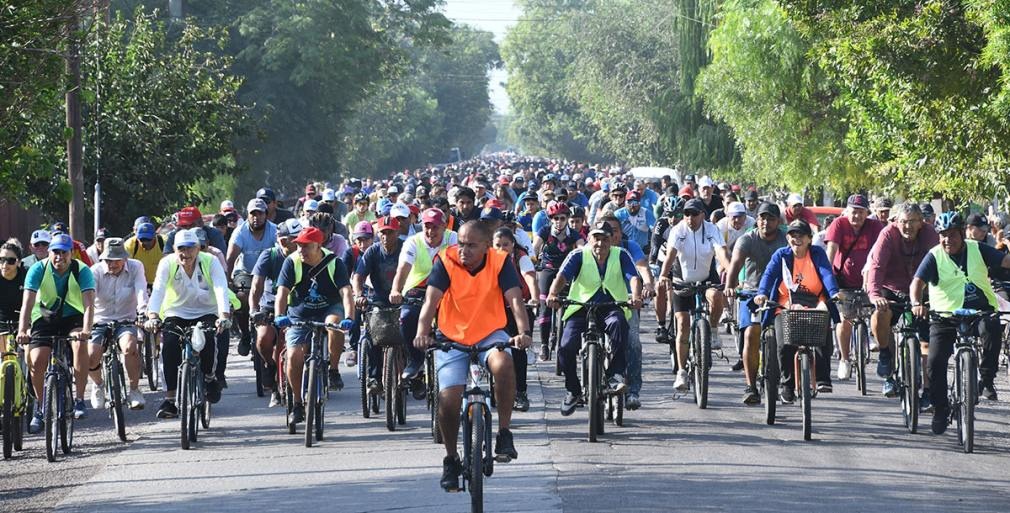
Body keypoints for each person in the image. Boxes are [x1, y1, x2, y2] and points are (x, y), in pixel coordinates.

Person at [412, 220, 531, 491]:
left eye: (471, 245)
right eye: (461, 243)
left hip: (490, 332)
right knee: (449, 397)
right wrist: (422, 332)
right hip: (451, 336)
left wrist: (523, 331)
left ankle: (503, 432)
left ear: (487, 247)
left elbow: (515, 300)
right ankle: (451, 459)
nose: (463, 250)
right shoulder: (446, 259)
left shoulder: (500, 262)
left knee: (503, 364)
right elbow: (430, 301)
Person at [909, 212, 1010, 434]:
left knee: (992, 328)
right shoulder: (934, 255)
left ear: (962, 234)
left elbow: (1004, 261)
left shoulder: (978, 249)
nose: (948, 240)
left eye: (952, 235)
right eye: (943, 235)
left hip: (979, 311)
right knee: (935, 363)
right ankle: (940, 408)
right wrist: (916, 302)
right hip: (944, 316)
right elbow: (917, 282)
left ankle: (986, 379)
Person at [548, 220, 642, 415]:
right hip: (581, 307)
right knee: (565, 348)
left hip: (611, 306)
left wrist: (636, 296)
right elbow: (562, 276)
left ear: (612, 240)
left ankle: (615, 374)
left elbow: (633, 277)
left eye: (605, 239)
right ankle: (573, 391)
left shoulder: (621, 254)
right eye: (596, 239)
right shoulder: (578, 255)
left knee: (619, 325)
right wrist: (552, 294)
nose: (600, 244)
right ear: (589, 239)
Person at [273, 227, 355, 425]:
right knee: (293, 355)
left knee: (333, 325)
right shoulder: (291, 262)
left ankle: (333, 370)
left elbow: (346, 292)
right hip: (299, 313)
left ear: (318, 246)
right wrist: (279, 315)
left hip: (329, 308)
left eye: (306, 246)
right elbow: (282, 294)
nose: (300, 250)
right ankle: (298, 404)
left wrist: (350, 317)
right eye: (299, 245)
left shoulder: (335, 262)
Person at [752, 221, 842, 402]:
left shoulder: (817, 254)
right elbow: (769, 275)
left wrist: (834, 293)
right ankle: (787, 384)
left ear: (810, 239)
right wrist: (762, 293)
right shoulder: (781, 255)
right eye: (793, 235)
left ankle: (823, 378)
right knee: (784, 342)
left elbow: (826, 274)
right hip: (786, 303)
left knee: (823, 331)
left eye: (801, 235)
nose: (797, 239)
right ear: (787, 238)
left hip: (815, 300)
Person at [145, 229, 231, 419]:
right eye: (181, 249)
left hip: (206, 311)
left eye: (190, 248)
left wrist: (223, 315)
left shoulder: (210, 261)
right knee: (168, 348)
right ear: (175, 249)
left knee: (209, 339)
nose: (186, 253)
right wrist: (152, 316)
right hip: (176, 312)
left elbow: (220, 287)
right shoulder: (167, 263)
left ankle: (209, 378)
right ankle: (170, 399)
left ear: (198, 248)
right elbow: (158, 290)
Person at [18, 233, 96, 430]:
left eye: (64, 252)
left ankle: (79, 399)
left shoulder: (82, 269)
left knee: (79, 346)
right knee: (36, 360)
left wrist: (86, 330)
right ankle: (40, 406)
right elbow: (27, 304)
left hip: (72, 316)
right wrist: (22, 330)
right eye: (55, 252)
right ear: (49, 253)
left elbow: (88, 305)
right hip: (45, 316)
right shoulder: (37, 269)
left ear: (71, 253)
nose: (59, 256)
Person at [865, 203, 938, 407]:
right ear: (897, 222)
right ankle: (886, 355)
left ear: (921, 223)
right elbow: (876, 268)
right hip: (892, 288)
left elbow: (941, 264)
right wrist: (875, 295)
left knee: (928, 341)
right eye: (904, 222)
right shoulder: (887, 235)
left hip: (922, 291)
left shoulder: (931, 235)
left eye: (913, 221)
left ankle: (928, 390)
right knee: (880, 314)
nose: (908, 226)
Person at [658, 198, 731, 392]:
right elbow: (671, 255)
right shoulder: (678, 230)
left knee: (716, 297)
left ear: (702, 215)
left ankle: (713, 330)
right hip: (682, 279)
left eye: (694, 214)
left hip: (707, 276)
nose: (690, 218)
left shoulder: (712, 229)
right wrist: (664, 275)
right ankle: (681, 372)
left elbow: (721, 253)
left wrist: (730, 273)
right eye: (687, 214)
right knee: (682, 325)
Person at [389, 208, 459, 397]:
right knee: (407, 317)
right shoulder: (413, 241)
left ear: (444, 226)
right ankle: (415, 361)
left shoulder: (453, 239)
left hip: (447, 290)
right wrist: (396, 290)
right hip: (417, 289)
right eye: (427, 226)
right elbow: (403, 269)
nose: (431, 231)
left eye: (436, 227)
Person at [724, 203, 788, 404]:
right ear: (756, 220)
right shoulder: (747, 240)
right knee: (751, 334)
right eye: (762, 218)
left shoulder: (785, 241)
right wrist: (730, 287)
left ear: (778, 222)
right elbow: (735, 265)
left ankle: (787, 382)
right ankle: (751, 386)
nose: (765, 223)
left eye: (770, 219)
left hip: (779, 295)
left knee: (785, 338)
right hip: (751, 294)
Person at [825, 194, 884, 383]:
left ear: (867, 213)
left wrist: (872, 277)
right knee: (845, 320)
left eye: (861, 212)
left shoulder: (875, 227)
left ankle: (877, 341)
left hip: (870, 279)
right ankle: (844, 358)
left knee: (880, 311)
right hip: (843, 279)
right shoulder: (838, 225)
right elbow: (831, 251)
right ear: (847, 211)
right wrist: (827, 281)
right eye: (853, 211)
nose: (856, 216)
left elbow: (879, 252)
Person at [600, 215, 655, 410]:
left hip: (628, 304)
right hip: (599, 305)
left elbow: (642, 268)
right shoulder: (592, 249)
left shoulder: (629, 247)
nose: (610, 234)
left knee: (633, 343)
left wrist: (647, 285)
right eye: (605, 230)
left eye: (614, 230)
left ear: (620, 232)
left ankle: (633, 391)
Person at [88, 238, 148, 411]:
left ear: (125, 258)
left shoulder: (136, 267)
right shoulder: (95, 271)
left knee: (130, 347)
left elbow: (141, 291)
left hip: (126, 319)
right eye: (108, 260)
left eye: (116, 260)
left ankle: (135, 390)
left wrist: (143, 313)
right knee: (91, 356)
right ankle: (98, 385)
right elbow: (90, 299)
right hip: (100, 319)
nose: (111, 264)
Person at [250, 219, 303, 407]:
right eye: (290, 240)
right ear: (280, 241)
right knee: (263, 339)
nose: (296, 245)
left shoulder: (305, 257)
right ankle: (270, 370)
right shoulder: (269, 256)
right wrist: (253, 310)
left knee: (289, 343)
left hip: (296, 307)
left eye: (298, 239)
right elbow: (256, 286)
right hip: (269, 307)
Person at [351, 216, 403, 396]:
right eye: (383, 232)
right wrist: (358, 295)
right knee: (373, 335)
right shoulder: (372, 251)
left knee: (412, 330)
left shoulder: (406, 249)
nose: (386, 236)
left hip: (405, 298)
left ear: (397, 232)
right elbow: (358, 277)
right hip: (379, 299)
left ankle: (416, 373)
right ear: (377, 234)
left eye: (390, 232)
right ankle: (374, 378)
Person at [492, 228, 538, 412]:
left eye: (506, 245)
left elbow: (530, 279)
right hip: (495, 310)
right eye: (498, 245)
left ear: (513, 245)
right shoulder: (488, 260)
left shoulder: (521, 257)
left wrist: (534, 297)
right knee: (493, 348)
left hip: (520, 308)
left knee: (519, 349)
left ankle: (521, 393)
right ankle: (494, 388)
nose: (502, 248)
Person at [532, 202, 585, 360]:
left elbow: (582, 249)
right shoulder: (545, 231)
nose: (559, 221)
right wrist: (532, 259)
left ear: (567, 218)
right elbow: (534, 247)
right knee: (545, 304)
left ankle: (571, 340)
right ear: (550, 219)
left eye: (562, 218)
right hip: (548, 268)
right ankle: (544, 344)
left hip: (567, 271)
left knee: (573, 304)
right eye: (555, 218)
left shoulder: (574, 235)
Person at [226, 198, 278, 356]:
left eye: (260, 213)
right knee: (241, 297)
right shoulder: (240, 232)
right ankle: (245, 335)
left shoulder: (274, 230)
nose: (256, 217)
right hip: (246, 272)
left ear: (266, 215)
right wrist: (227, 281)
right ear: (247, 215)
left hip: (268, 272)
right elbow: (230, 259)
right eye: (253, 214)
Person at [650, 196, 684, 344]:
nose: (673, 219)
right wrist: (652, 262)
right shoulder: (661, 224)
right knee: (659, 287)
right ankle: (661, 325)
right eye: (669, 215)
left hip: (683, 263)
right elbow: (655, 245)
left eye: (676, 215)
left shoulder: (687, 225)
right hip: (664, 261)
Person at [163, 206, 227, 254]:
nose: (187, 229)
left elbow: (222, 258)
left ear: (201, 223)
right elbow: (166, 259)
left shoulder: (214, 234)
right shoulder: (174, 235)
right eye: (183, 226)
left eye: (191, 225)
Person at [614, 190, 656, 255]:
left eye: (635, 203)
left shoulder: (646, 213)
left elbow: (654, 230)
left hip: (641, 249)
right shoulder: (618, 214)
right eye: (629, 203)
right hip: (623, 248)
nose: (632, 206)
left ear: (640, 203)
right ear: (625, 202)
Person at [0, 239, 26, 327]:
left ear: (18, 262)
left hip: (23, 325)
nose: (5, 265)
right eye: (2, 260)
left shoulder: (27, 276)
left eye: (10, 260)